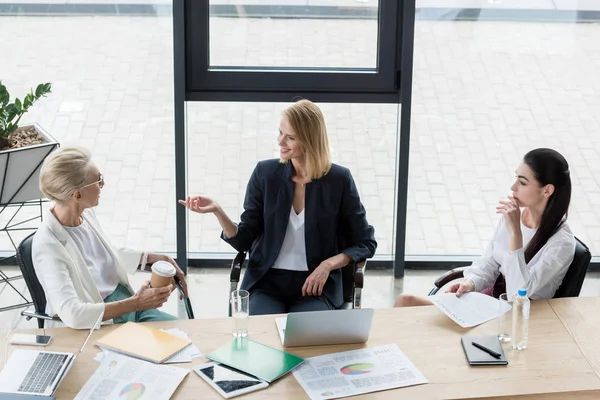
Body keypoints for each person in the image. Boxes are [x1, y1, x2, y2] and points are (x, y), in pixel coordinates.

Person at [180, 99, 377, 315]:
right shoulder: (265, 174)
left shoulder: (339, 180)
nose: (280, 142)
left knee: (306, 338)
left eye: (290, 137)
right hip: (266, 283)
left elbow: (365, 242)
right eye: (280, 133)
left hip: (316, 287)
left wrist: (327, 265)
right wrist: (218, 210)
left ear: (311, 141)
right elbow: (244, 239)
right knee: (260, 333)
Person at [32, 146, 188, 329]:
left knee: (185, 334)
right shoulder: (47, 245)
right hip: (103, 320)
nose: (103, 184)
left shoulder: (86, 215)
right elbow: (73, 314)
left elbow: (99, 257)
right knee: (174, 346)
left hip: (126, 303)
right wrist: (137, 303)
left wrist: (153, 258)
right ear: (78, 194)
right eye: (98, 180)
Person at [395, 148, 575, 306]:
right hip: (490, 301)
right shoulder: (514, 215)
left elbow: (517, 294)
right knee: (406, 301)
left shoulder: (561, 244)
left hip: (519, 315)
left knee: (408, 304)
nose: (513, 187)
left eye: (522, 182)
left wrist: (515, 234)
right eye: (516, 178)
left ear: (547, 190)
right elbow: (491, 260)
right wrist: (471, 282)